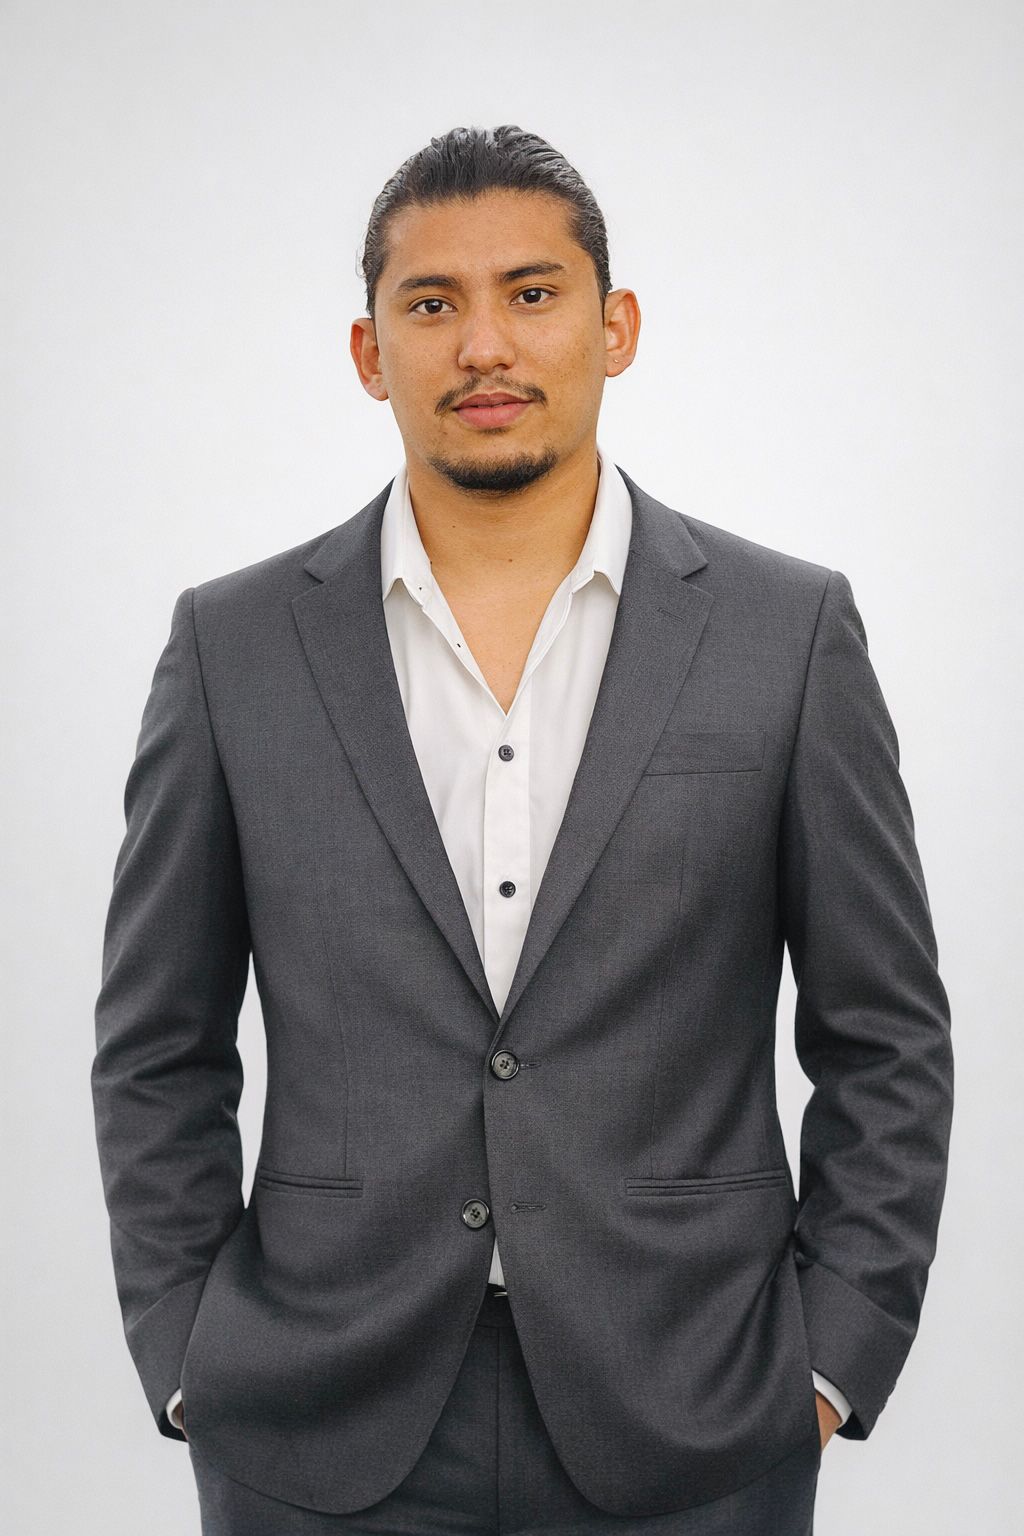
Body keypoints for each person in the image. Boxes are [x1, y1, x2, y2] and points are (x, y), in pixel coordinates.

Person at [92, 125, 954, 1534]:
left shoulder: (786, 633)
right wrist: (192, 1354)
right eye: (431, 303)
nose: (484, 344)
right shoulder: (233, 646)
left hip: (697, 1405)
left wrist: (830, 1356)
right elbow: (156, 1042)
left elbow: (886, 1034)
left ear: (616, 328)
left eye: (533, 293)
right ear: (370, 352)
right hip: (318, 1417)